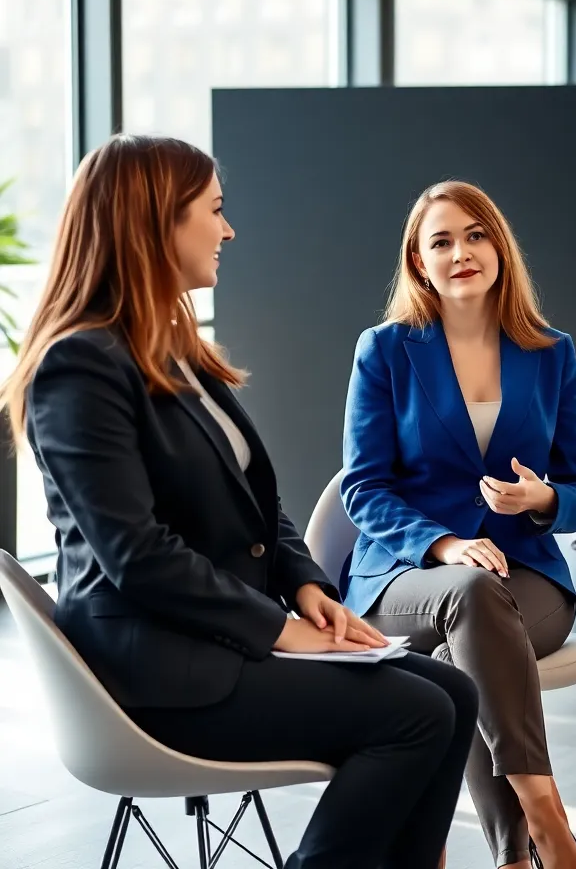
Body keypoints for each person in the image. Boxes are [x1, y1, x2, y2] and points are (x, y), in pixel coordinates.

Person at [2, 135, 478, 869]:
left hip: (213, 644)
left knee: (453, 691)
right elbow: (137, 553)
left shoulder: (171, 345)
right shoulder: (79, 364)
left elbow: (258, 500)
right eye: (215, 212)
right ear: (156, 222)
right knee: (418, 715)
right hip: (155, 672)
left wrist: (306, 585)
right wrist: (278, 631)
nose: (228, 231)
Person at [340, 180, 576, 869]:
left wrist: (543, 500)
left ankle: (513, 856)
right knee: (468, 594)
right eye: (442, 241)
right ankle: (548, 822)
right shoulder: (386, 351)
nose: (462, 252)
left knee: (462, 655)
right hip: (407, 578)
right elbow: (362, 489)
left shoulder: (552, 353)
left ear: (499, 245)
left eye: (476, 234)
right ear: (418, 262)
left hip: (527, 578)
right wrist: (446, 544)